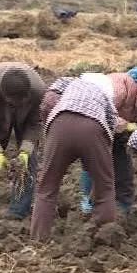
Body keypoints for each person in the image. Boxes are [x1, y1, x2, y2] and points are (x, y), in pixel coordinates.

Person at [78, 63, 137, 216]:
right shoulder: (120, 88)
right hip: (96, 126)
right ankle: (87, 202)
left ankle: (124, 208)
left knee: (124, 168)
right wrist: (124, 124)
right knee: (93, 163)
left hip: (120, 135)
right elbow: (101, 112)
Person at [31, 73, 119, 241]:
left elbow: (46, 105)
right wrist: (96, 166)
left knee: (46, 188)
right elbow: (110, 130)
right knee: (105, 189)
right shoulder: (106, 99)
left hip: (60, 125)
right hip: (93, 129)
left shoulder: (71, 86)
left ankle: (38, 240)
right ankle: (104, 239)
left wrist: (49, 135)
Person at [0, 62, 46, 218]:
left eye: (20, 102)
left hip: (27, 119)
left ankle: (19, 210)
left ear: (27, 95)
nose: (16, 105)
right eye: (13, 103)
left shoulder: (39, 91)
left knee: (28, 162)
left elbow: (34, 124)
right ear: (5, 97)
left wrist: (25, 152)